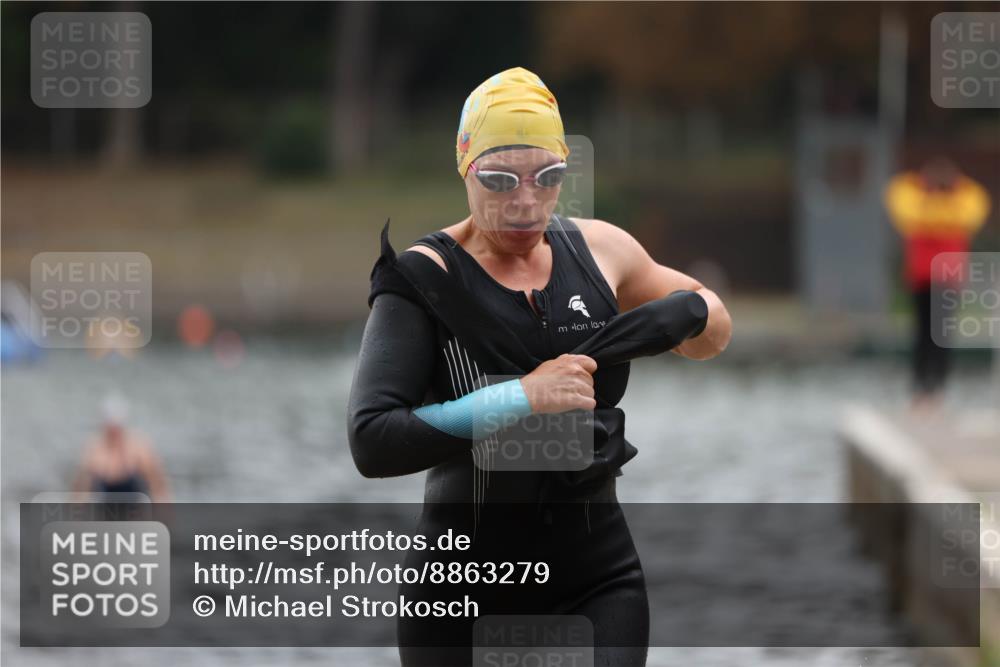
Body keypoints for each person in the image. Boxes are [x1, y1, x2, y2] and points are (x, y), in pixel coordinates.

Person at [347, 67, 732, 666]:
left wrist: (682, 317)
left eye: (547, 177)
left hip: (597, 580)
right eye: (501, 180)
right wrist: (523, 396)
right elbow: (372, 441)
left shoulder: (602, 249)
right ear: (465, 165)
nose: (526, 202)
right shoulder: (422, 279)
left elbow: (713, 328)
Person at [884, 158, 991, 412]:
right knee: (923, 334)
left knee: (940, 335)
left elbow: (973, 206)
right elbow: (900, 200)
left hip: (947, 278)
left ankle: (937, 389)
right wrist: (926, 189)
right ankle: (921, 388)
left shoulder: (961, 204)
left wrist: (951, 188)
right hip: (921, 278)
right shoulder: (916, 202)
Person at [72, 393, 172, 503]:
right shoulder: (94, 448)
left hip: (133, 502)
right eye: (111, 427)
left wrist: (163, 508)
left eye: (116, 427)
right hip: (105, 503)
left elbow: (157, 482)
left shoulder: (138, 446)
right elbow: (80, 487)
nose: (114, 431)